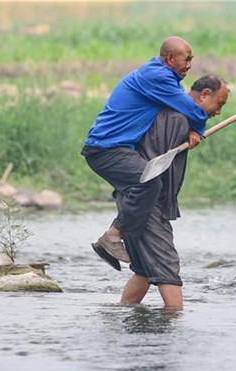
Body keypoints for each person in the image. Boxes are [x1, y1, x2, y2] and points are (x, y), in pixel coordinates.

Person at [83, 74, 229, 309]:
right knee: (167, 267)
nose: (219, 111)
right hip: (148, 203)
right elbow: (155, 165)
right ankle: (173, 329)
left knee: (143, 270)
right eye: (219, 103)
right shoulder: (177, 118)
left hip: (132, 198)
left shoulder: (174, 113)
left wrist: (192, 129)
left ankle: (125, 318)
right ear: (203, 95)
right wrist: (164, 203)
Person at [81, 36, 207, 269]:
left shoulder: (165, 78)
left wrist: (191, 128)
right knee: (149, 181)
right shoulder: (157, 77)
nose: (190, 65)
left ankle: (122, 241)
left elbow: (180, 108)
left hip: (116, 149)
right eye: (186, 59)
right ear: (170, 58)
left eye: (191, 60)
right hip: (105, 150)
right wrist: (198, 126)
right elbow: (193, 110)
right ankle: (113, 236)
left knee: (146, 183)